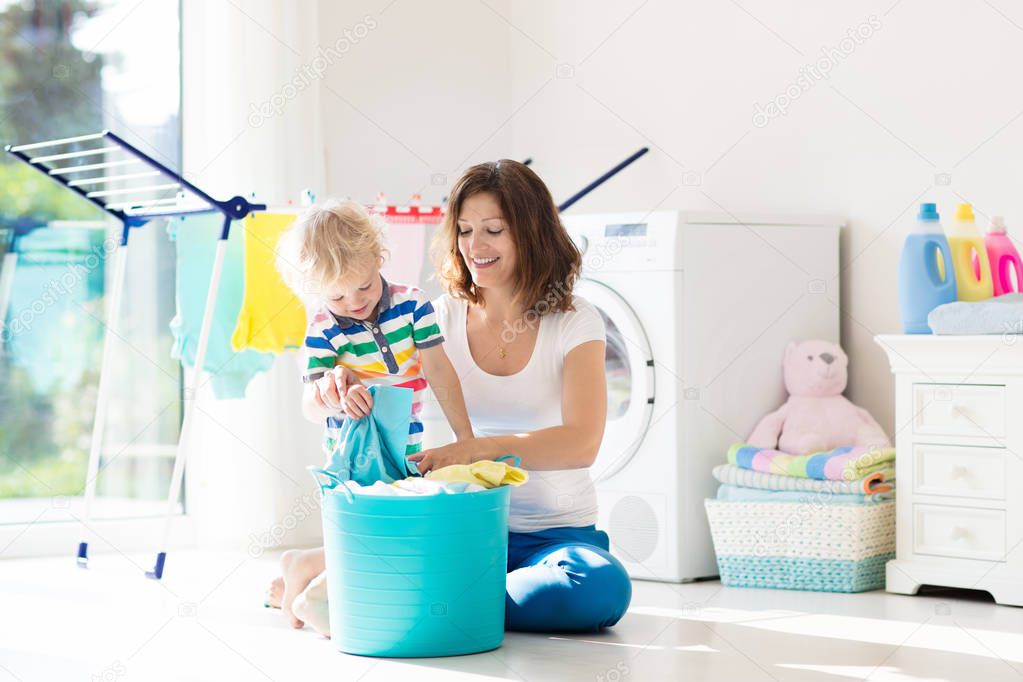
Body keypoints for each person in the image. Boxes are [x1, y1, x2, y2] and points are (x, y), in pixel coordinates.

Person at [409, 160, 632, 632]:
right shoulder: (436, 319)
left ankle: (447, 595)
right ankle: (470, 591)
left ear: (531, 234)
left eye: (493, 229)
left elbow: (581, 444)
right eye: (465, 231)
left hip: (553, 535)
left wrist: (481, 448)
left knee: (600, 587)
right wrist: (332, 385)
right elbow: (378, 380)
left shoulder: (575, 321)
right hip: (461, 528)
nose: (475, 246)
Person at [265, 199, 474, 635]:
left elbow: (438, 370)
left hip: (408, 446)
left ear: (379, 258)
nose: (354, 302)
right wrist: (332, 396)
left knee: (392, 536)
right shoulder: (323, 326)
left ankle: (302, 571)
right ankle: (312, 589)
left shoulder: (414, 304)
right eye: (337, 295)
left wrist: (465, 437)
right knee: (365, 535)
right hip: (351, 455)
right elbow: (310, 401)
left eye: (363, 286)